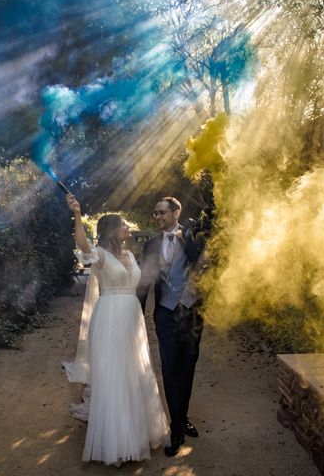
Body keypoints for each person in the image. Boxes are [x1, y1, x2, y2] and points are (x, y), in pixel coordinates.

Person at [62, 193, 169, 467]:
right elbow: (83, 245)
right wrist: (77, 213)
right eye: (123, 225)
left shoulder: (131, 254)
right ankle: (117, 441)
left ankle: (138, 431)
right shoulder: (99, 255)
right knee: (114, 374)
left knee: (135, 370)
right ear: (112, 230)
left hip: (132, 316)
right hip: (109, 317)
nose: (127, 228)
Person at [136, 196, 204, 457]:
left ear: (177, 212)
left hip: (192, 313)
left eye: (162, 212)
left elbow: (205, 265)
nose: (157, 217)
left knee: (187, 368)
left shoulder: (194, 237)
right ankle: (177, 431)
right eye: (155, 213)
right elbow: (145, 279)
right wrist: (137, 313)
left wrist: (191, 238)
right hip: (164, 313)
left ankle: (182, 416)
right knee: (170, 369)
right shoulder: (152, 244)